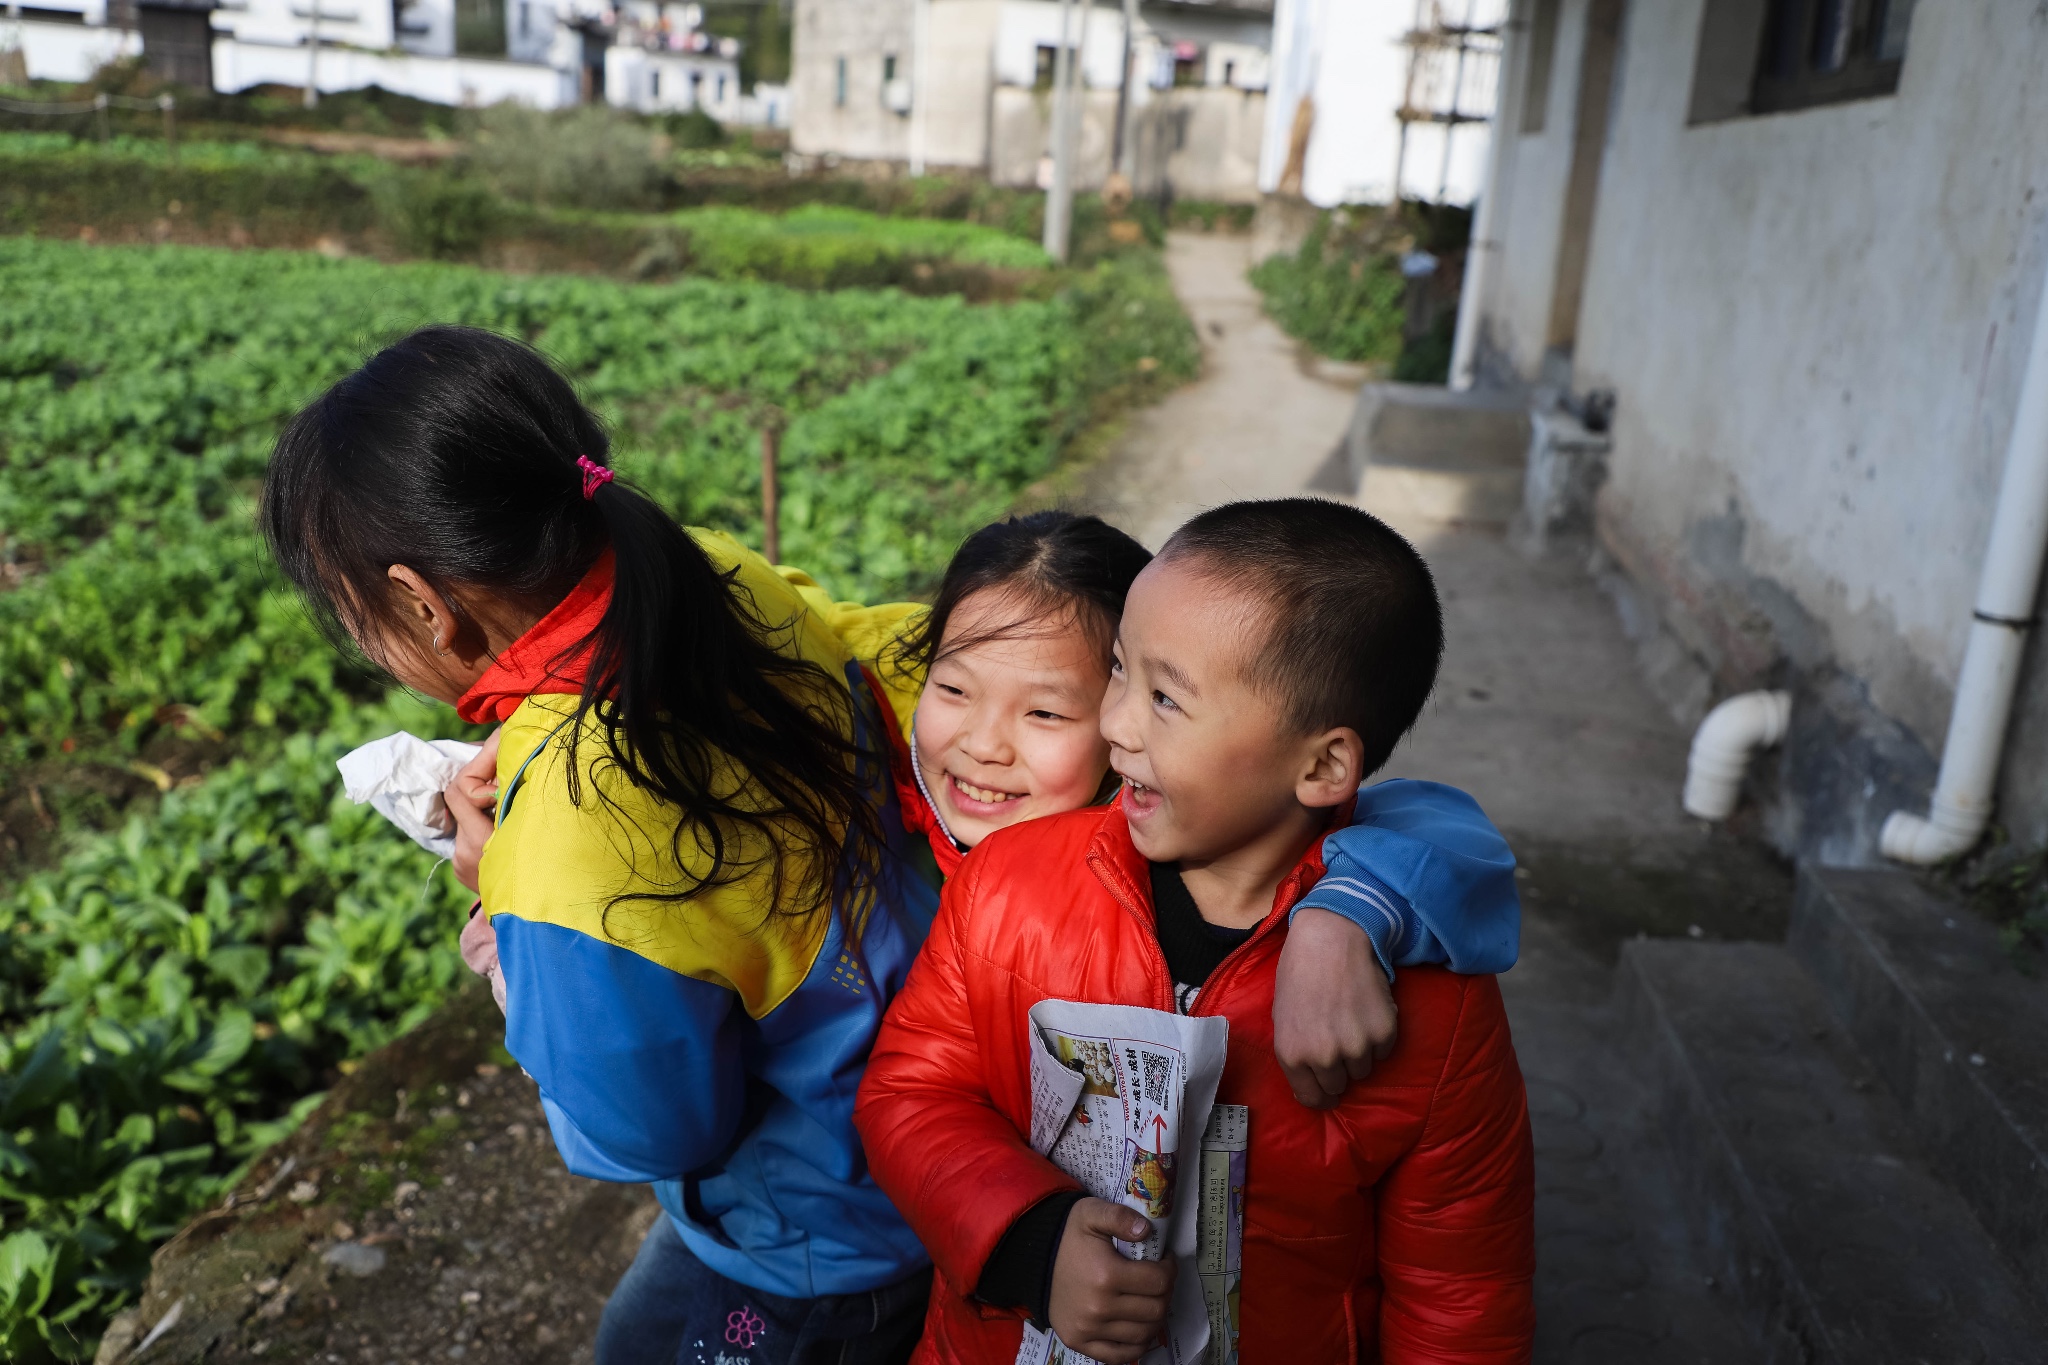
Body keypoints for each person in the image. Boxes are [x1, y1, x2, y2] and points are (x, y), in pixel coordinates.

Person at [261, 326, 939, 1365]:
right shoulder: (702, 570)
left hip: (827, 1228)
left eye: (358, 618)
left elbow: (647, 1132)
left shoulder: (568, 845)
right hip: (920, 1074)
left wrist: (510, 916)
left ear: (423, 605)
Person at [854, 499, 1536, 1364]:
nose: (1116, 723)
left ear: (1322, 764)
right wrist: (1034, 1241)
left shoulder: (1434, 1012)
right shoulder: (1007, 883)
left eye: (1165, 697)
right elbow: (908, 1095)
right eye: (1119, 673)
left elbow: (1461, 1295)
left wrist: (1344, 914)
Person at [883, 510, 1519, 1105]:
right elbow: (914, 1095)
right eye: (952, 687)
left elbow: (1444, 833)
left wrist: (1349, 912)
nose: (983, 745)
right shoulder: (881, 801)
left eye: (1047, 711)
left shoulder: (1171, 816)